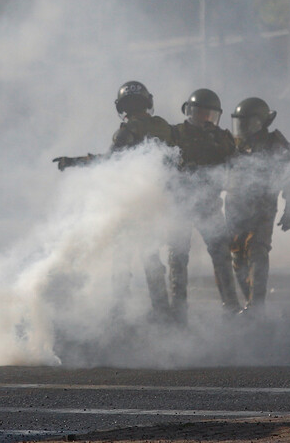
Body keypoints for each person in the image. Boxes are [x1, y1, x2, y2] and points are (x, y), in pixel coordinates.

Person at [53, 81, 177, 322]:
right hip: (156, 203)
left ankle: (118, 312)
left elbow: (110, 162)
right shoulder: (164, 127)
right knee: (151, 258)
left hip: (131, 203)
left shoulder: (126, 131)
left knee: (121, 257)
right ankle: (163, 312)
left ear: (123, 107)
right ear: (147, 103)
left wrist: (74, 162)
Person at [169, 88, 241, 323]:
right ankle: (178, 310)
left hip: (209, 205)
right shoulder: (176, 134)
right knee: (178, 258)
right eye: (200, 113)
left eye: (209, 115)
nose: (205, 119)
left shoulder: (222, 137)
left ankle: (231, 306)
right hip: (181, 205)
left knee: (222, 255)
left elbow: (236, 164)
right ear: (190, 112)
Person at [225, 97, 290, 314]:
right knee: (237, 255)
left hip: (262, 206)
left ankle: (256, 307)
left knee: (257, 251)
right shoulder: (232, 144)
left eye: (246, 123)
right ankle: (250, 301)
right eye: (239, 123)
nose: (242, 128)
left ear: (259, 123)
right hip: (234, 206)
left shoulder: (276, 145)